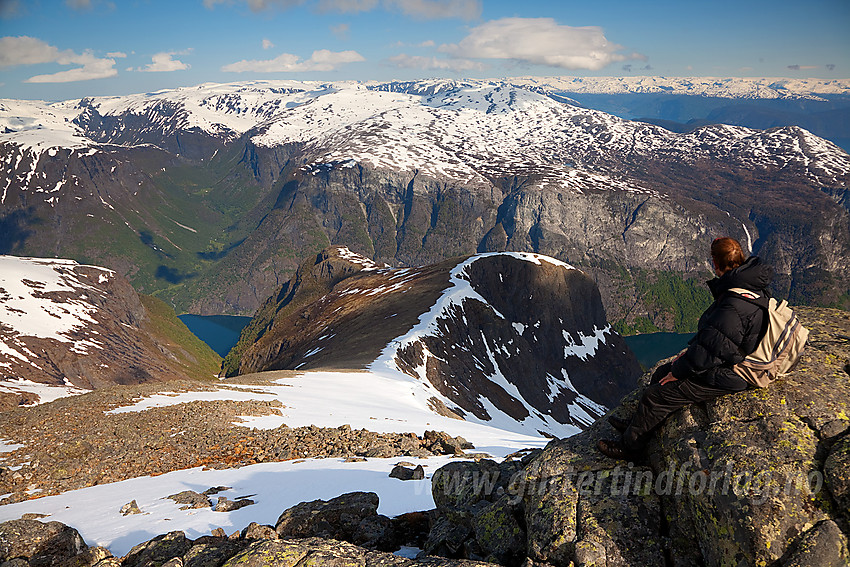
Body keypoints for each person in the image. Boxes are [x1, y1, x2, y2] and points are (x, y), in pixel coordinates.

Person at [597, 237, 772, 461]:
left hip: (736, 373)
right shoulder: (748, 285)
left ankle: (630, 448)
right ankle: (636, 425)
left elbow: (710, 353)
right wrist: (683, 359)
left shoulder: (735, 303)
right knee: (660, 373)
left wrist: (678, 371)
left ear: (716, 263)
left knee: (656, 395)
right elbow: (718, 339)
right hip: (730, 358)